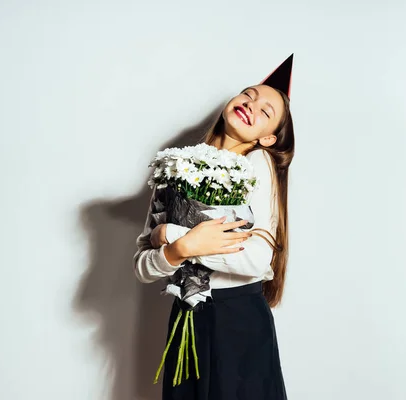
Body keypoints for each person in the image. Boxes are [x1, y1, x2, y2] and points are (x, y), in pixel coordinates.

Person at [134, 55, 295, 400]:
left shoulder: (257, 163)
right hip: (186, 316)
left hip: (239, 322)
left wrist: (175, 238)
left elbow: (256, 261)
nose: (251, 105)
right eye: (248, 95)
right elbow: (143, 265)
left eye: (265, 112)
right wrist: (177, 252)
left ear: (268, 139)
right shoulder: (175, 166)